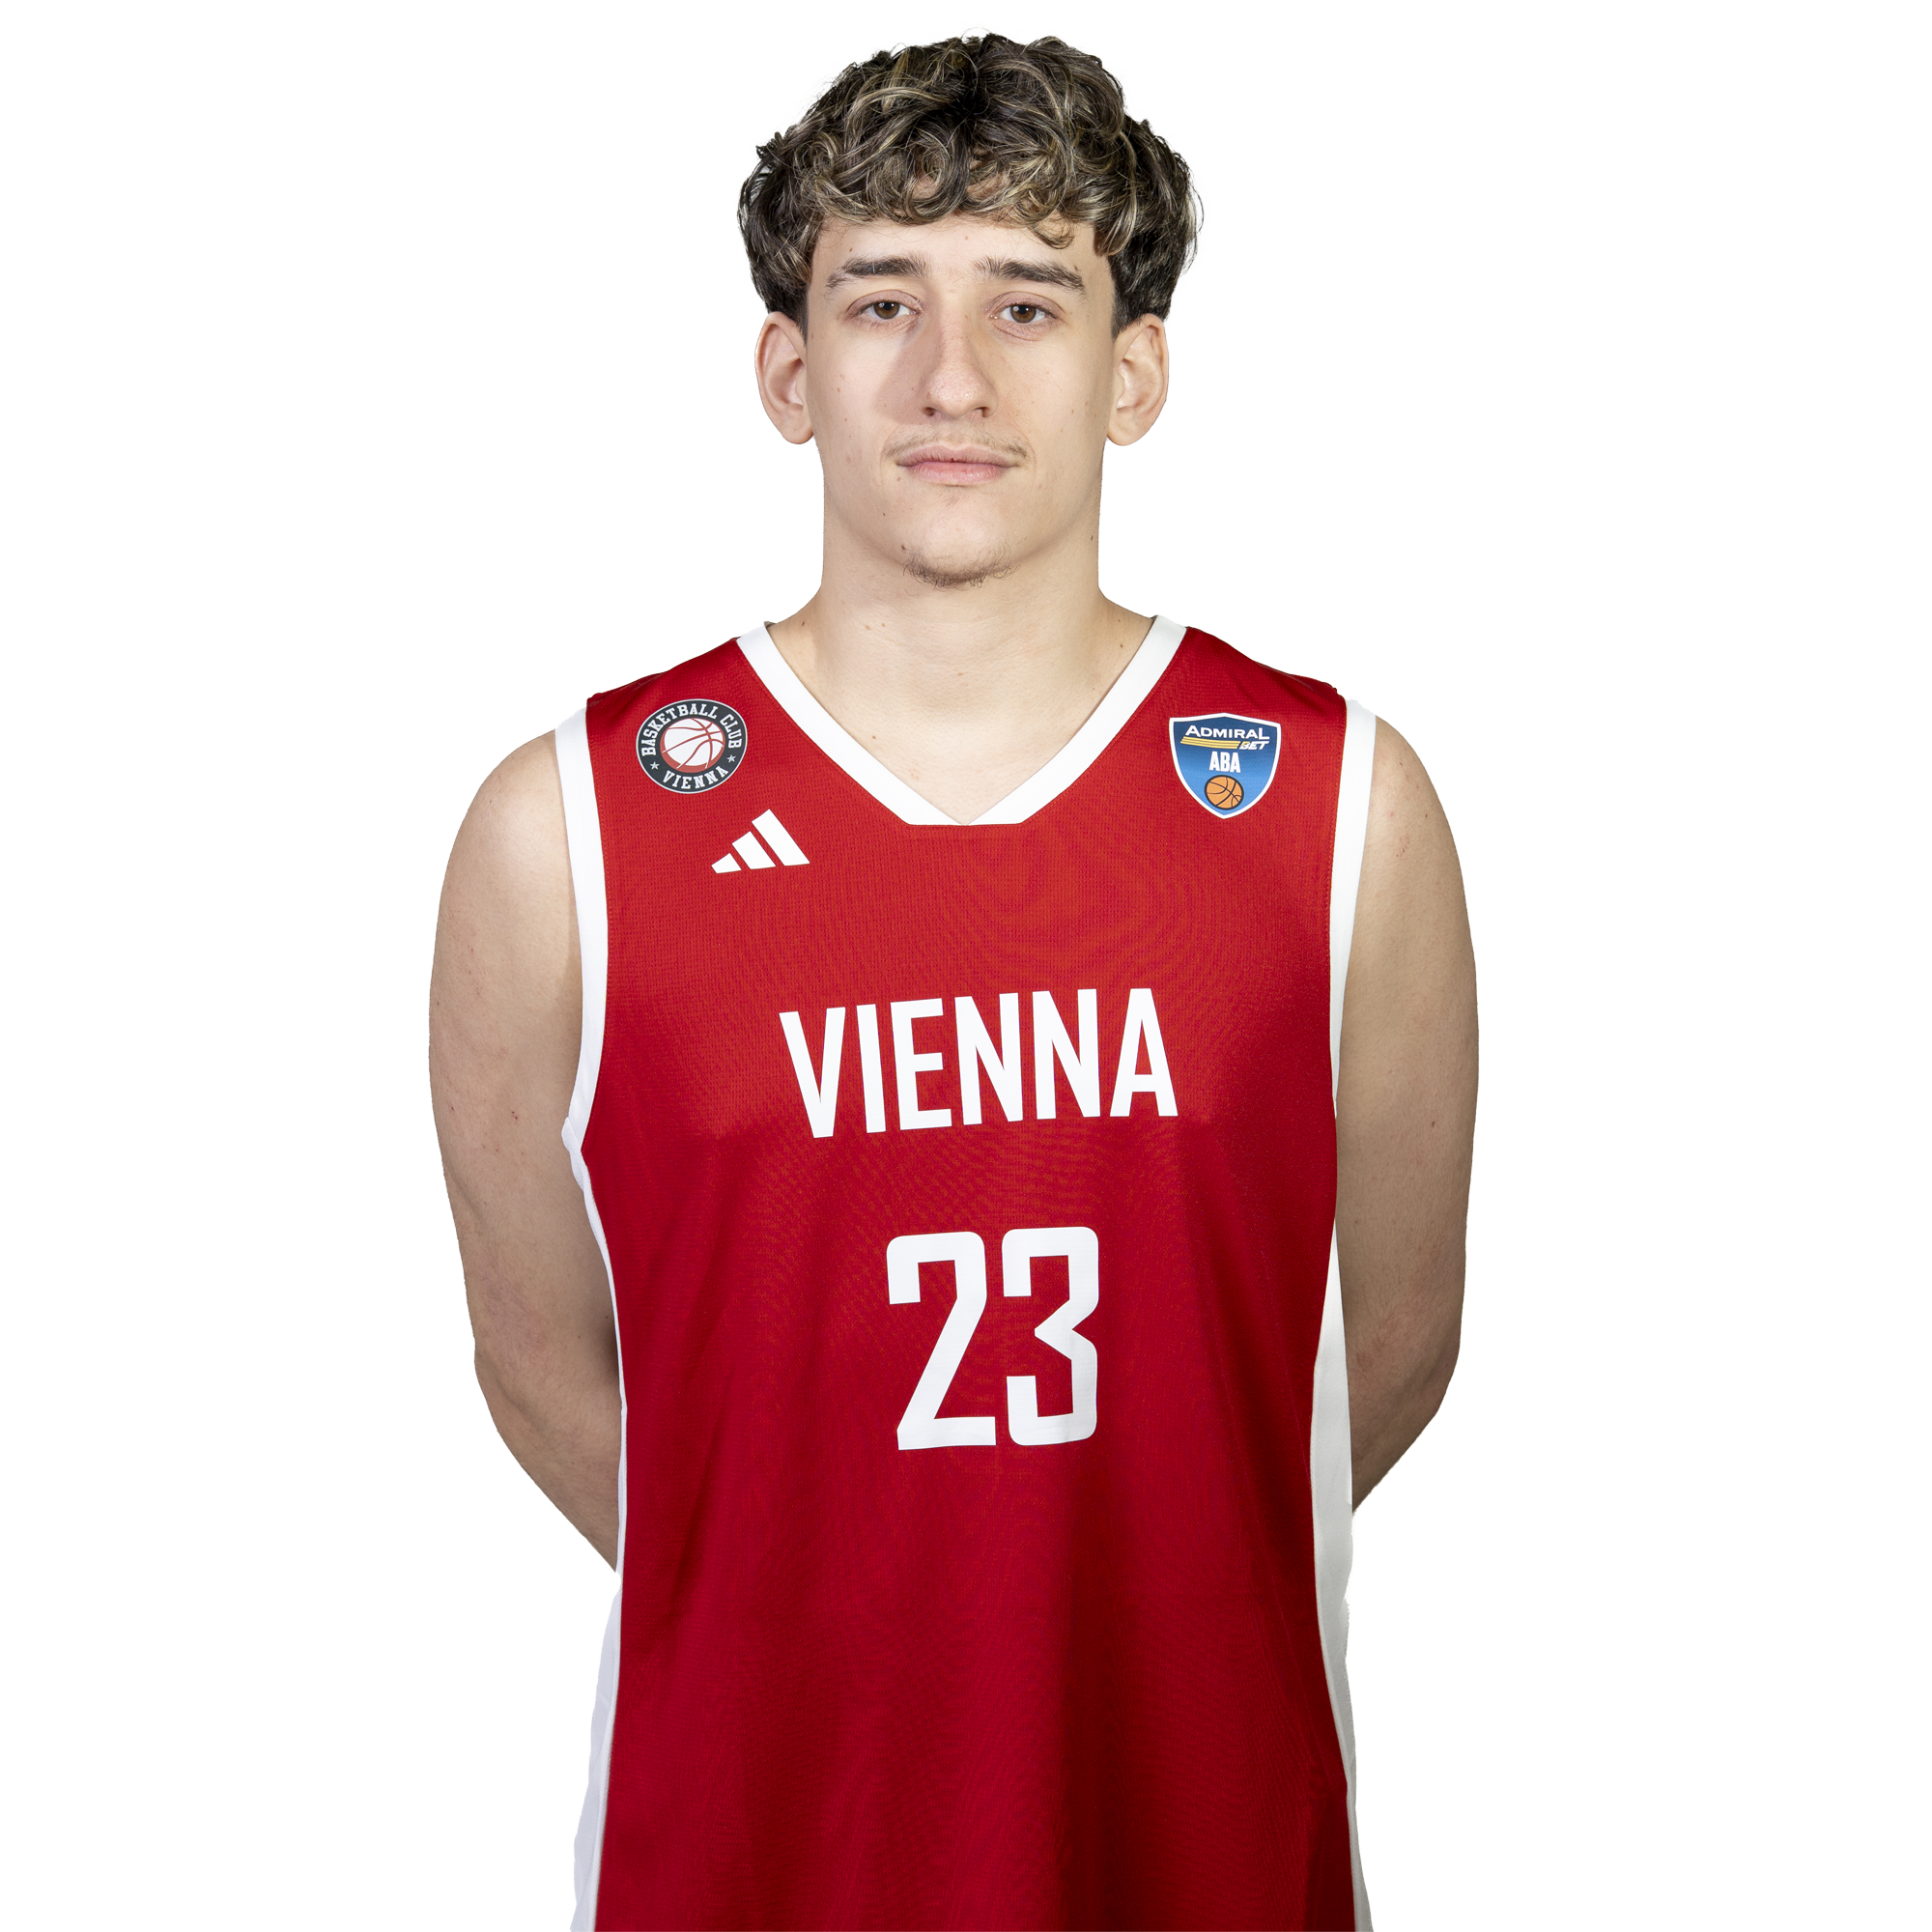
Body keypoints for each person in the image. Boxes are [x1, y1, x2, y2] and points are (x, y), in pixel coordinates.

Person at [430, 29, 1475, 1932]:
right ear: (788, 368)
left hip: (1203, 1845)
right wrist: (818, 1587)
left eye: (1028, 301)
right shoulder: (565, 833)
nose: (951, 378)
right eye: (879, 300)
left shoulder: (1338, 811)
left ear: (1133, 370)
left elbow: (1377, 1352)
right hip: (751, 1857)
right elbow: (544, 1369)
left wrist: (1118, 1567)